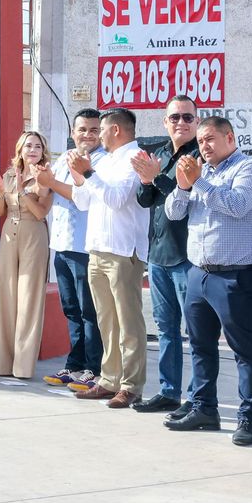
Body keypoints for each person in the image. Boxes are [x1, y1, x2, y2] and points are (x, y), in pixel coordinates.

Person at [164, 116, 252, 446]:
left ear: (230, 137)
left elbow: (237, 206)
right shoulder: (200, 172)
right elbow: (172, 213)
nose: (204, 147)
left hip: (235, 275)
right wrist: (183, 186)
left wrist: (198, 183)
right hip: (199, 272)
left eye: (210, 139)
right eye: (200, 141)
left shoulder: (249, 169)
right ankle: (204, 408)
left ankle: (247, 418)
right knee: (200, 346)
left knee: (244, 349)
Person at [70, 108, 151, 408]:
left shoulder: (136, 159)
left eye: (101, 129)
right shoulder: (104, 161)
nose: (97, 135)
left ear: (116, 130)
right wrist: (80, 176)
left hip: (122, 252)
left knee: (128, 323)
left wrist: (89, 173)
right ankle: (109, 378)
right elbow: (82, 201)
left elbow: (117, 200)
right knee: (106, 321)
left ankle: (131, 385)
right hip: (98, 249)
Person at [131, 95, 200, 413]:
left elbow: (185, 197)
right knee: (165, 329)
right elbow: (146, 200)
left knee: (196, 330)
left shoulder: (200, 156)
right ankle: (169, 392)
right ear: (165, 122)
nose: (181, 123)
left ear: (197, 122)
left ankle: (198, 397)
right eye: (175, 118)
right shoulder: (157, 152)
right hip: (158, 253)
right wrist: (146, 181)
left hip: (188, 255)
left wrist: (154, 178)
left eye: (188, 117)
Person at [37, 109, 105, 390]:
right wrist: (40, 180)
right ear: (72, 132)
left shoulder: (101, 161)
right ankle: (74, 366)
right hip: (62, 244)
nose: (87, 135)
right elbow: (48, 193)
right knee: (71, 310)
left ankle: (94, 368)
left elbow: (80, 199)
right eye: (82, 129)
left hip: (85, 246)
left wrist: (51, 182)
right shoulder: (65, 160)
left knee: (90, 311)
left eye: (93, 129)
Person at [0, 131, 53, 379]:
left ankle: (23, 367)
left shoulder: (45, 177)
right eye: (29, 145)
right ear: (20, 149)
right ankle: (0, 362)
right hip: (9, 234)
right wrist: (0, 191)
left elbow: (40, 213)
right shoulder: (9, 175)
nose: (33, 150)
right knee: (5, 295)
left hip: (33, 235)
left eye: (38, 146)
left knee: (28, 299)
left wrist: (24, 193)